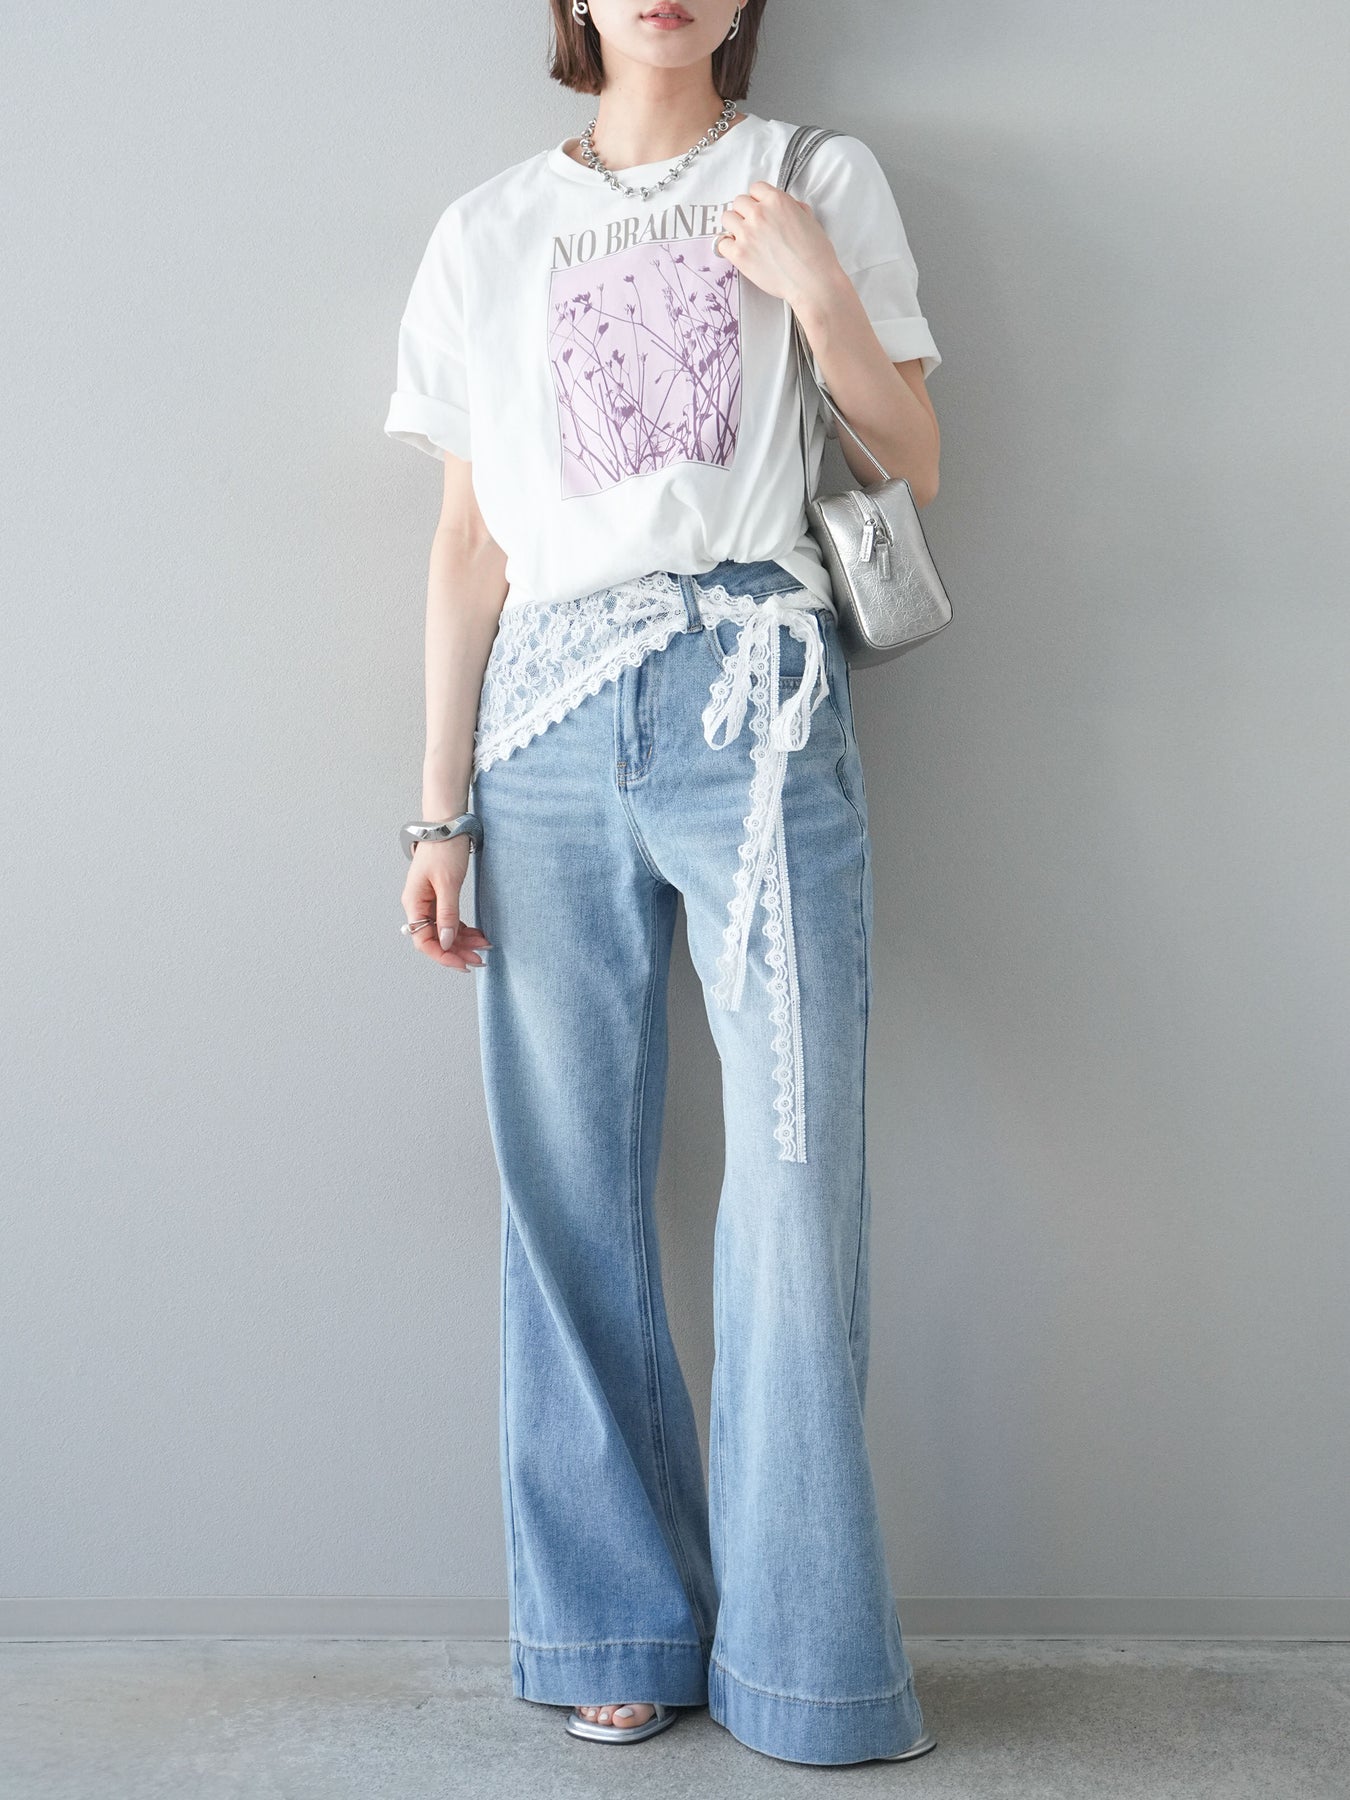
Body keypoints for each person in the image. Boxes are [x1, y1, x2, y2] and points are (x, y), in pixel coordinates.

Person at [383, 0, 943, 1768]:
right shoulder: (486, 230)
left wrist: (815, 289)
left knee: (792, 1178)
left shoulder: (811, 175)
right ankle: (613, 1621)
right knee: (564, 1193)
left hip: (753, 703)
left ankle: (805, 1664)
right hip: (542, 728)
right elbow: (467, 542)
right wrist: (434, 812)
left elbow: (915, 459)